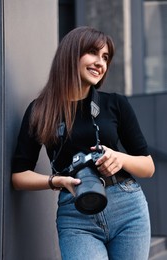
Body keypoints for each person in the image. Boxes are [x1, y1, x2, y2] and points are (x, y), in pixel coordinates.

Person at [12, 26, 155, 260]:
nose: (100, 62)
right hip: (75, 213)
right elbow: (18, 176)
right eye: (93, 53)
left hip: (128, 207)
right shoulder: (40, 110)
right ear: (71, 54)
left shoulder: (115, 104)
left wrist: (119, 158)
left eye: (106, 57)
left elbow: (148, 167)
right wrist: (55, 181)